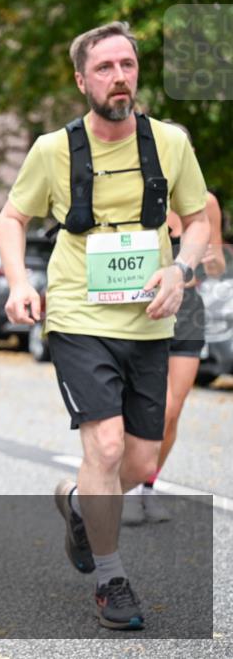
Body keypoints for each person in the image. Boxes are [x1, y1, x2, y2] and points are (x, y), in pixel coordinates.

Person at [0, 22, 210, 631]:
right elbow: (12, 217)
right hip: (77, 313)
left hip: (149, 318)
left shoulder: (169, 143)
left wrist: (182, 270)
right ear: (81, 79)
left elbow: (196, 219)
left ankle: (74, 501)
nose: (119, 77)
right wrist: (17, 282)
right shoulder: (52, 150)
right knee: (107, 444)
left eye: (128, 65)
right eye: (105, 67)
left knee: (139, 461)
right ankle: (111, 577)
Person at [122, 121, 226, 525]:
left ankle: (148, 486)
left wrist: (208, 259)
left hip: (188, 308)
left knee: (171, 409)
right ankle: (124, 484)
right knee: (144, 406)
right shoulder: (143, 193)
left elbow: (215, 262)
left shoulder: (206, 203)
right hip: (144, 309)